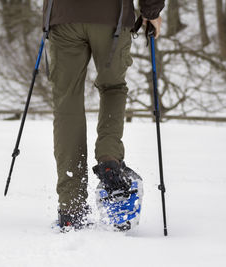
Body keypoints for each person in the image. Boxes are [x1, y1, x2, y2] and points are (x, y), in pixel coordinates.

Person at [43, 0, 165, 229]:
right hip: (112, 16)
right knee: (113, 88)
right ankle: (109, 160)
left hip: (63, 16)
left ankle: (71, 208)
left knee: (67, 102)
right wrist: (151, 11)